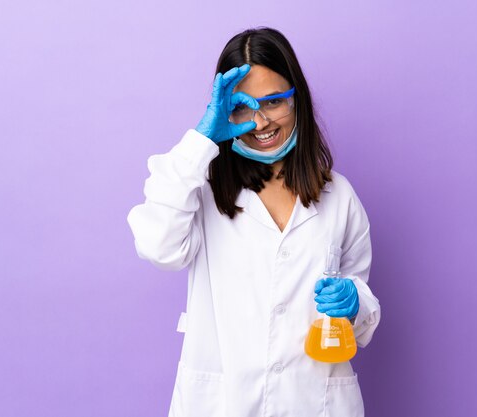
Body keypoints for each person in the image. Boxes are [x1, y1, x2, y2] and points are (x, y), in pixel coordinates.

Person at [127, 27, 381, 417]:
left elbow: (359, 304)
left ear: (297, 99)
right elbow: (158, 246)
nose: (260, 122)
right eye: (243, 108)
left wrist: (354, 304)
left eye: (274, 101)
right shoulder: (203, 187)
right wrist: (201, 140)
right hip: (222, 403)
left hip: (316, 403)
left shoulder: (339, 196)